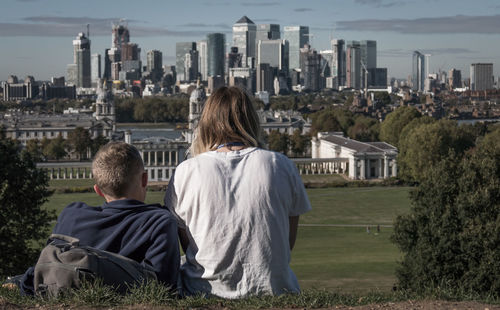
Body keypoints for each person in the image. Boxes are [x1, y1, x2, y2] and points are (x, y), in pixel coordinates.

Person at [164, 86, 311, 298]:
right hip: (275, 290)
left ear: (206, 122)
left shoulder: (185, 171)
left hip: (203, 292)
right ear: (251, 120)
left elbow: (189, 246)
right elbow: (286, 242)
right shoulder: (282, 165)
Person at [5, 142, 180, 295]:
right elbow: (165, 285)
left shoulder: (72, 214)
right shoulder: (159, 222)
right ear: (145, 179)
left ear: (98, 190)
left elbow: (49, 264)